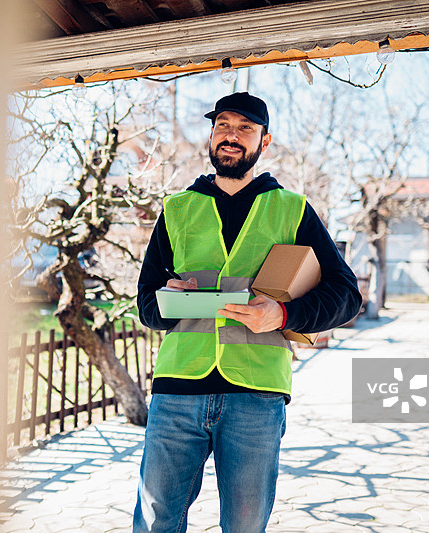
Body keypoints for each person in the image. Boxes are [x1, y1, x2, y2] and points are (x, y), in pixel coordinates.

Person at [133, 92, 362, 533]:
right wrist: (168, 297)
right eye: (222, 125)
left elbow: (346, 294)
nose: (231, 135)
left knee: (245, 526)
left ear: (264, 141)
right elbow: (146, 304)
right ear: (211, 135)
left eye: (245, 128)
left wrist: (283, 315)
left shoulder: (292, 209)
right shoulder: (177, 209)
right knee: (154, 521)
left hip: (256, 393)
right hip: (177, 390)